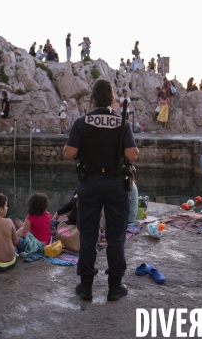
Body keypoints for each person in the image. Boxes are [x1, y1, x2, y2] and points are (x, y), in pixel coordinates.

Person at [64, 79, 139, 301]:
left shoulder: (81, 122)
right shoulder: (121, 122)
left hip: (90, 183)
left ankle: (86, 286)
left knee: (88, 235)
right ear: (113, 99)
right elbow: (133, 155)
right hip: (116, 183)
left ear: (93, 99)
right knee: (116, 236)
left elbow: (69, 153)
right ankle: (115, 286)